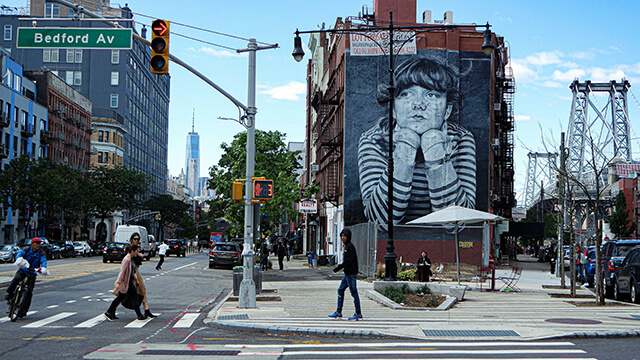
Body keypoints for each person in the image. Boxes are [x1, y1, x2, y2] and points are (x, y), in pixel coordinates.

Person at [358, 55, 476, 231]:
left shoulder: (461, 139)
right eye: (406, 94)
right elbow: (380, 221)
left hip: (443, 245)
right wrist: (405, 150)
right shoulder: (374, 140)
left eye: (431, 94)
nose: (418, 104)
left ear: (447, 110)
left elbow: (457, 223)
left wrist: (435, 152)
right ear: (393, 109)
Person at [5, 238, 48, 318]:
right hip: (23, 271)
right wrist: (19, 258)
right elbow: (20, 253)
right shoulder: (27, 249)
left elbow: (43, 260)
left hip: (32, 274)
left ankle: (22, 311)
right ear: (32, 244)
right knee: (16, 279)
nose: (37, 245)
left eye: (39, 243)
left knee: (29, 293)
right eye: (36, 243)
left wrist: (43, 268)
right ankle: (10, 294)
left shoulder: (41, 253)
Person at [105, 245, 146, 321]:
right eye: (137, 251)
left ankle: (109, 312)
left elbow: (132, 271)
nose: (138, 252)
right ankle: (139, 315)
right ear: (132, 251)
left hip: (129, 281)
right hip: (126, 282)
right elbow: (122, 271)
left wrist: (136, 280)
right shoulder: (126, 259)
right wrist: (118, 282)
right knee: (134, 297)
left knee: (121, 297)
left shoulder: (130, 258)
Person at [329, 228, 362, 320]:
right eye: (342, 236)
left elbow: (348, 261)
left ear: (348, 237)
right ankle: (338, 311)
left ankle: (358, 312)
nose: (343, 238)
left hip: (351, 273)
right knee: (340, 290)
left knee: (354, 292)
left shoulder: (350, 247)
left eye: (345, 236)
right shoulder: (347, 246)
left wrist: (338, 268)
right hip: (347, 273)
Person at [128, 233, 156, 318]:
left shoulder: (137, 248)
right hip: (131, 272)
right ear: (131, 239)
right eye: (135, 239)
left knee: (142, 289)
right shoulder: (130, 248)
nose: (136, 240)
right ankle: (111, 310)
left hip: (136, 270)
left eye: (138, 239)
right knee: (122, 292)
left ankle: (146, 310)